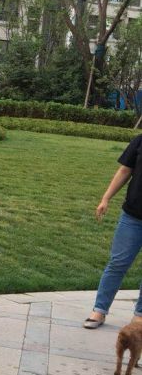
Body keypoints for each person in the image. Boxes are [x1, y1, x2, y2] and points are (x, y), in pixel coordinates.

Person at [83, 132, 142, 328]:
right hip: (132, 216)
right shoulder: (140, 141)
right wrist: (106, 198)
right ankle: (99, 310)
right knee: (118, 262)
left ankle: (139, 316)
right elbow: (125, 170)